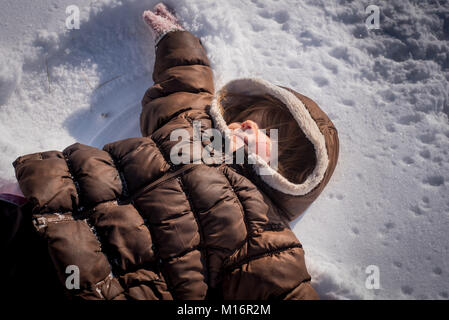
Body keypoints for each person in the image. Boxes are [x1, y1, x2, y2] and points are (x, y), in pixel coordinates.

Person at [1, 3, 339, 300]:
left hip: (98, 283)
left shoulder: (264, 230)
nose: (250, 126)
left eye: (269, 134)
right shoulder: (194, 124)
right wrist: (176, 38)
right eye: (250, 120)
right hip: (45, 211)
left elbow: (283, 288)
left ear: (289, 173)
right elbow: (185, 82)